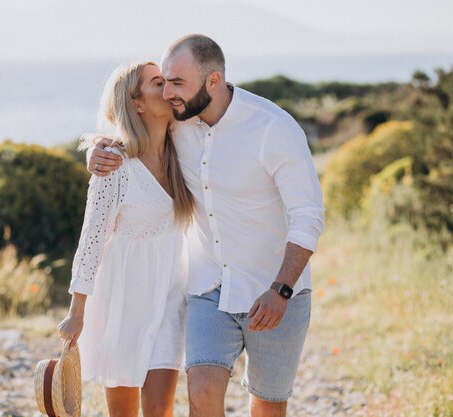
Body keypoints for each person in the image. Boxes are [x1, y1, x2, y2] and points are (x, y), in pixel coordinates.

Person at [87, 35, 326, 417]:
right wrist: (99, 149)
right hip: (208, 290)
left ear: (212, 81)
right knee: (201, 391)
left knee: (267, 403)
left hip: (275, 291)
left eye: (177, 83)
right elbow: (135, 137)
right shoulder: (179, 124)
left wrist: (280, 289)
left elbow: (308, 216)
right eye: (163, 82)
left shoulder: (273, 128)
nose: (167, 93)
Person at [57, 61, 195, 417]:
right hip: (124, 303)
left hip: (170, 298)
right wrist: (77, 312)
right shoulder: (114, 166)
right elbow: (91, 240)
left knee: (160, 410)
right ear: (137, 104)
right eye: (158, 83)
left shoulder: (185, 146)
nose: (169, 90)